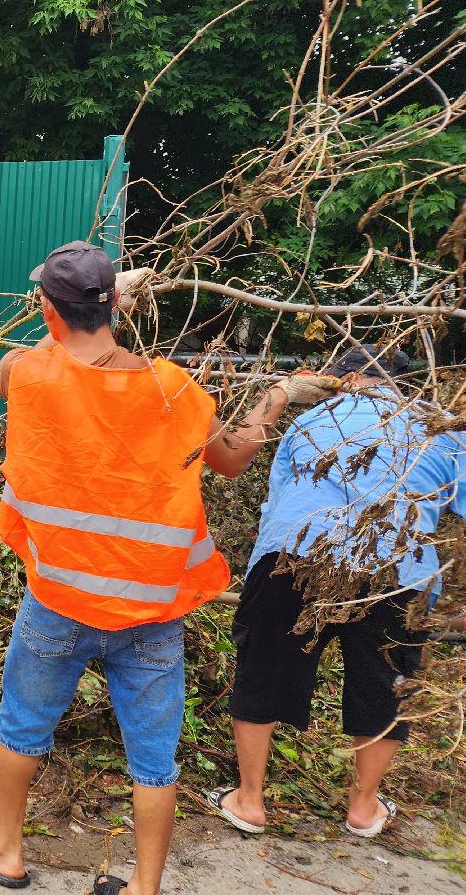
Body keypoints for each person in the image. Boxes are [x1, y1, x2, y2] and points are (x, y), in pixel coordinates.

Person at [0, 240, 336, 895]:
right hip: (152, 613)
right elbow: (235, 457)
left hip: (58, 601)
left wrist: (103, 299)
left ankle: (7, 850)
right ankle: (144, 887)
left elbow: (10, 363)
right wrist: (277, 396)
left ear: (49, 308)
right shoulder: (173, 388)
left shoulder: (30, 373)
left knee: (21, 727)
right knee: (153, 761)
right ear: (114, 309)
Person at [209, 346, 463, 840]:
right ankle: (364, 809)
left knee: (263, 670)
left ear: (336, 378)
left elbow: (277, 503)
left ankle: (251, 800)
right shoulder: (442, 428)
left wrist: (262, 581)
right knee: (384, 685)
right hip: (396, 570)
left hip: (294, 555)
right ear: (402, 384)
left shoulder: (310, 422)